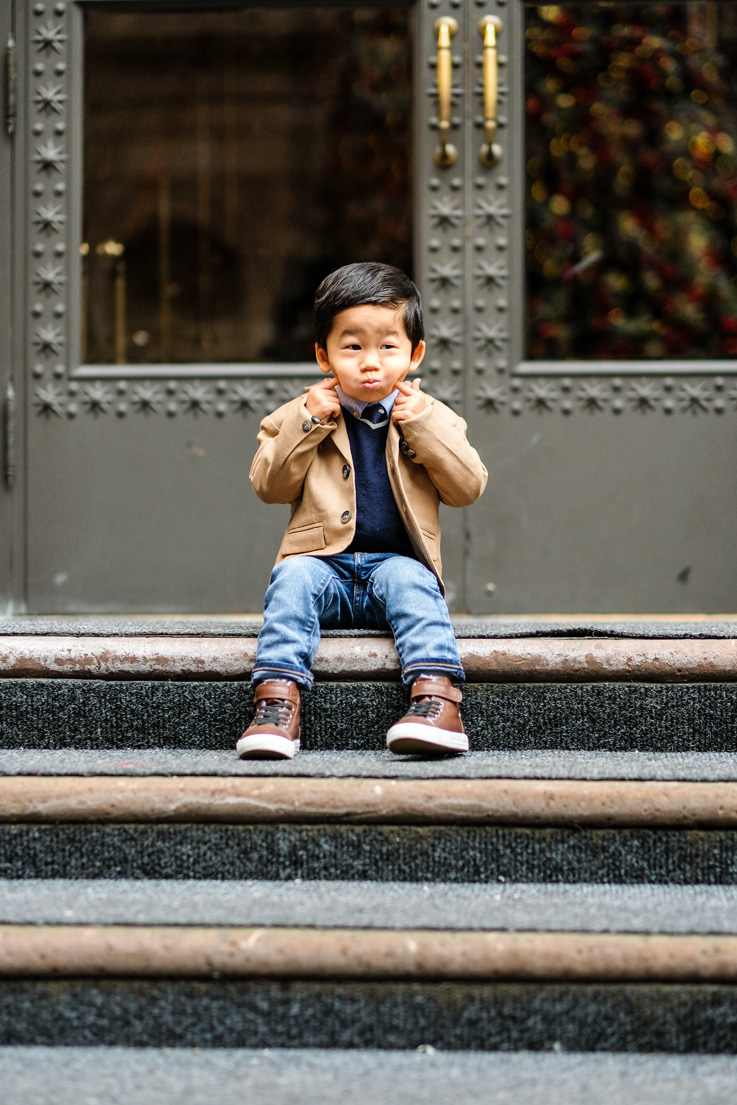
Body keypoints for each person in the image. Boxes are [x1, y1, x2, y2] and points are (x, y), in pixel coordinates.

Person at [237, 262, 487, 760]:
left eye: (388, 347)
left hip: (393, 566)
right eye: (352, 347)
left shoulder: (432, 416)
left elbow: (467, 489)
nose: (370, 362)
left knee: (414, 584)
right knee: (290, 580)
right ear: (323, 355)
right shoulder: (297, 414)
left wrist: (423, 429)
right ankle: (276, 705)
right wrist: (308, 422)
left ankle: (437, 698)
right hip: (321, 564)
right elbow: (269, 485)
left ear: (414, 354)